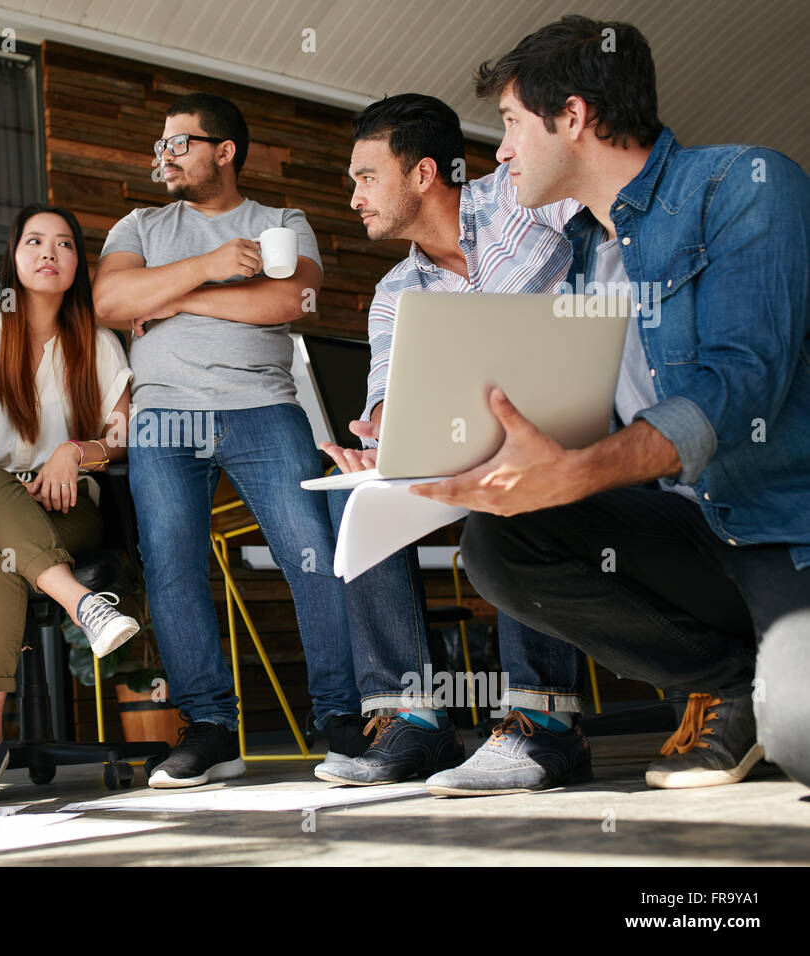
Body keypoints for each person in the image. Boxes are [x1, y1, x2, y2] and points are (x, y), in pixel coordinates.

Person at [411, 15, 810, 795]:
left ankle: (775, 690)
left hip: (779, 531)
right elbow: (604, 418)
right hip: (691, 532)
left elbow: (742, 382)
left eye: (514, 124)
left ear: (573, 118)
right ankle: (736, 684)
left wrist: (584, 470)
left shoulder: (747, 185)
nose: (501, 151)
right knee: (500, 540)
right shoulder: (590, 254)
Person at [313, 93, 589, 787]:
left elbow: (608, 229)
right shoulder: (393, 293)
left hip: (570, 430)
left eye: (365, 177)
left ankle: (543, 725)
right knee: (356, 498)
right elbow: (388, 391)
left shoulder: (526, 196)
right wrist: (378, 436)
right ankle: (413, 724)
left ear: (424, 173)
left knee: (521, 474)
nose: (353, 198)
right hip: (458, 447)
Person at [93, 93, 366, 788]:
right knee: (173, 566)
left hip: (262, 409)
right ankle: (210, 730)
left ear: (225, 151)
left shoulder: (280, 221)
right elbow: (110, 303)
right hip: (164, 416)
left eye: (179, 144)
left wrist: (174, 298)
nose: (165, 157)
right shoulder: (140, 223)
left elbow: (290, 302)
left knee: (312, 555)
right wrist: (211, 267)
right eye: (161, 146)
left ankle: (341, 718)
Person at [0, 203, 138, 805]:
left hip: (65, 509)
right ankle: (83, 605)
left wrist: (76, 451)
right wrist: (5, 490)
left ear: (78, 264)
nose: (49, 254)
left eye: (65, 244)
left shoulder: (98, 344)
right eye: (35, 242)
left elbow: (118, 439)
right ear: (13, 257)